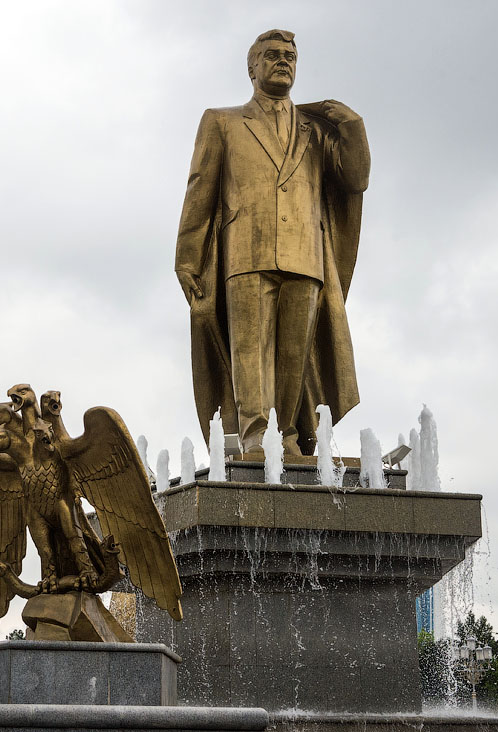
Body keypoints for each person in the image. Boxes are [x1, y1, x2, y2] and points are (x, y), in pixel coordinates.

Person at [174, 29, 370, 458]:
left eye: (290, 57)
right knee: (249, 350)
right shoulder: (222, 121)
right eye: (273, 56)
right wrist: (187, 256)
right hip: (245, 251)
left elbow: (355, 180)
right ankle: (253, 437)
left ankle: (287, 438)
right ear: (252, 68)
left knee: (294, 357)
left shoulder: (316, 132)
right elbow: (200, 188)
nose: (283, 62)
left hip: (305, 255)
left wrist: (351, 125)